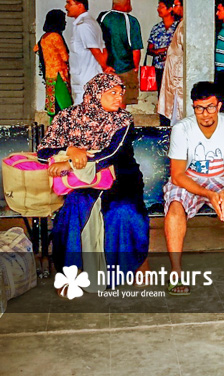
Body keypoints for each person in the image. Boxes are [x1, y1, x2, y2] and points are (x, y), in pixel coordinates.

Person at [37, 73, 149, 295]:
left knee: (122, 211)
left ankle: (134, 264)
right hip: (82, 183)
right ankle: (72, 270)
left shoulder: (123, 120)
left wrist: (71, 164)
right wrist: (71, 150)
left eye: (121, 93)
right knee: (76, 207)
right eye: (112, 93)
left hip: (121, 177)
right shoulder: (67, 117)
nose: (119, 98)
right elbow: (42, 152)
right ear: (95, 95)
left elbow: (111, 154)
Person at [163, 81, 224, 293]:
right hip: (190, 179)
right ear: (193, 106)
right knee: (175, 209)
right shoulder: (182, 129)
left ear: (219, 106)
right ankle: (176, 271)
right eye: (199, 108)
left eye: (210, 107)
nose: (205, 114)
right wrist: (208, 193)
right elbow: (178, 175)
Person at [65, 0, 112, 104]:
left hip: (85, 78)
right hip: (86, 76)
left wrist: (105, 67)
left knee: (83, 111)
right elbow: (103, 48)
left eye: (69, 3)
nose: (66, 7)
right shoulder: (88, 23)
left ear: (80, 5)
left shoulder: (84, 25)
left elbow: (95, 50)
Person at [98, 0, 143, 108]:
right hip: (125, 68)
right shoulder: (131, 21)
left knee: (106, 103)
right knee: (121, 104)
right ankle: (120, 125)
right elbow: (136, 49)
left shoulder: (103, 17)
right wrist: (135, 68)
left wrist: (103, 65)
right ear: (128, 2)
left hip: (106, 68)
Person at [34, 9, 71, 121]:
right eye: (63, 20)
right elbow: (65, 57)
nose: (65, 23)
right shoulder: (56, 37)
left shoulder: (44, 37)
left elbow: (35, 49)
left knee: (53, 108)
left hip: (49, 76)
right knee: (65, 107)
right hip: (59, 75)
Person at [146, 0, 178, 124]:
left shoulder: (178, 27)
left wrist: (167, 52)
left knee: (175, 97)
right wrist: (160, 51)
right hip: (159, 68)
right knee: (162, 97)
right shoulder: (156, 28)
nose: (158, 9)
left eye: (161, 7)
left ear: (170, 9)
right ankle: (163, 123)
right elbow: (150, 49)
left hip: (174, 69)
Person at [157, 0, 184, 125]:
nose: (174, 8)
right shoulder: (182, 23)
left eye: (177, 5)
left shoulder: (184, 25)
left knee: (178, 106)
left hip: (179, 73)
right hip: (171, 69)